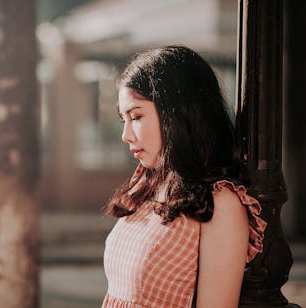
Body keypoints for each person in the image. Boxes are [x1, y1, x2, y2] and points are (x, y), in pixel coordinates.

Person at [102, 46, 267, 308]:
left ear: (177, 113)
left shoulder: (220, 202)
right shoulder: (148, 184)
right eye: (124, 119)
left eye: (136, 116)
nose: (126, 136)